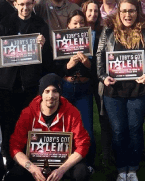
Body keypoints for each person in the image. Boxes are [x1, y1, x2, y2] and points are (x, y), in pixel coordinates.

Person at [0, 0, 52, 167]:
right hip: (9, 83)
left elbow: (48, 60)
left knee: (31, 122)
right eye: (21, 4)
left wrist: (43, 47)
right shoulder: (4, 24)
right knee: (7, 121)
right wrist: (9, 54)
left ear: (33, 4)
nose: (25, 8)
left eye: (28, 4)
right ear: (15, 4)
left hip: (31, 84)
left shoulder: (40, 25)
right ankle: (6, 156)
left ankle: (28, 158)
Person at [97, 0, 145, 181]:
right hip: (113, 91)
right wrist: (102, 76)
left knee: (135, 129)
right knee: (118, 131)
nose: (127, 15)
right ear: (118, 12)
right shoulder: (108, 29)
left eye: (131, 11)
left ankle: (133, 168)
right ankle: (121, 168)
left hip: (138, 90)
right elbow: (100, 55)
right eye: (124, 11)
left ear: (137, 12)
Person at [7, 74, 90, 181]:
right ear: (41, 93)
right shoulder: (27, 113)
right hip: (35, 164)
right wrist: (32, 168)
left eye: (55, 91)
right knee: (13, 175)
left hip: (63, 164)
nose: (51, 96)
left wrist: (62, 169)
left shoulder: (72, 113)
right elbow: (15, 146)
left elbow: (83, 144)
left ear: (60, 93)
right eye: (47, 91)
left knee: (81, 172)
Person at [55, 10, 95, 172]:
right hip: (66, 88)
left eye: (81, 23)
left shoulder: (90, 40)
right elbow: (54, 70)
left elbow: (97, 70)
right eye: (75, 23)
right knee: (63, 127)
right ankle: (62, 162)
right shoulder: (60, 41)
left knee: (86, 128)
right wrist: (68, 66)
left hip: (84, 89)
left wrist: (87, 64)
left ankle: (88, 163)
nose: (78, 26)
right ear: (68, 26)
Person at [82, 0, 113, 167]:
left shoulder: (103, 31)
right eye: (90, 11)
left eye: (96, 11)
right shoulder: (77, 30)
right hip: (82, 79)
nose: (93, 14)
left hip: (100, 79)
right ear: (84, 11)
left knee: (104, 116)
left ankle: (107, 155)